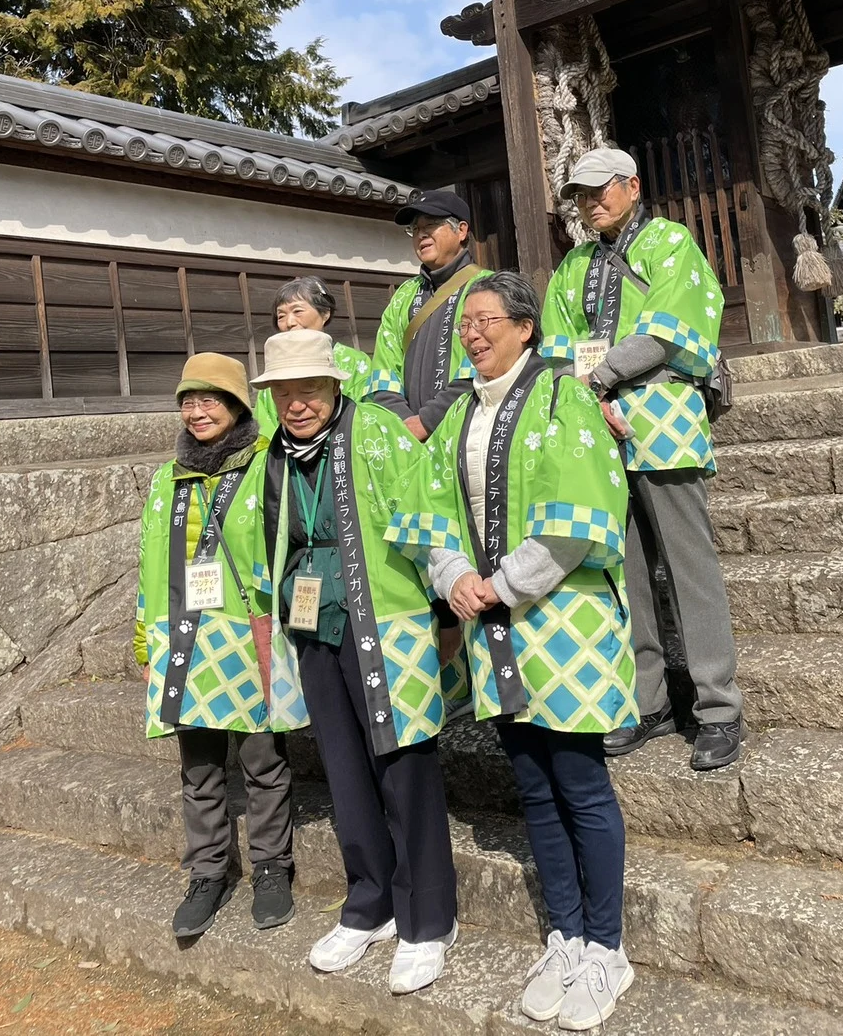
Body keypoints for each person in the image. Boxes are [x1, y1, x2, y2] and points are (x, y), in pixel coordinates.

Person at [387, 272, 637, 1031]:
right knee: (531, 784)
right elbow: (424, 510)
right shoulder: (458, 407)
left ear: (526, 327)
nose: (474, 332)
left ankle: (607, 946)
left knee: (580, 783)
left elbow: (580, 513)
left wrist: (499, 583)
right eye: (467, 323)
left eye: (488, 319)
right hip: (495, 627)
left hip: (565, 620)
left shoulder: (566, 395)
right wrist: (453, 575)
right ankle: (563, 934)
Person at [256, 326, 458, 995]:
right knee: (344, 770)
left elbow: (430, 519)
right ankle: (369, 903)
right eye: (285, 392)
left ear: (334, 384)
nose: (298, 403)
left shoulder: (378, 431)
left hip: (386, 620)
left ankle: (428, 918)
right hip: (314, 625)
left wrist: (447, 613)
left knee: (404, 766)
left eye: (309, 389)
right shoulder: (276, 455)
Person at [541, 147, 743, 772]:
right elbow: (554, 344)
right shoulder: (571, 266)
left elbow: (669, 329)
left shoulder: (669, 241)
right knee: (624, 572)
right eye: (579, 194)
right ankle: (647, 700)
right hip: (597, 430)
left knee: (689, 567)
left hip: (666, 426)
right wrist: (584, 396)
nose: (589, 202)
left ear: (631, 186)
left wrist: (598, 378)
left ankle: (718, 706)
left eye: (600, 189)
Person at [134, 352, 294, 939]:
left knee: (261, 760)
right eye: (187, 400)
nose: (196, 411)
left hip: (245, 634)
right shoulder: (166, 477)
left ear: (236, 406)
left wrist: (279, 623)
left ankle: (273, 866)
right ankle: (208, 872)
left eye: (210, 399)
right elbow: (151, 560)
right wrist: (144, 639)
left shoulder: (262, 465)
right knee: (199, 766)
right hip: (183, 638)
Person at [364, 189, 490, 441]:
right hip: (408, 439)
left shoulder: (488, 288)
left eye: (431, 224)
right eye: (415, 228)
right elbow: (384, 372)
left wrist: (427, 421)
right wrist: (404, 423)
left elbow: (484, 368)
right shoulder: (404, 295)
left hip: (471, 432)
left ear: (461, 230)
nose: (421, 234)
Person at [255, 276, 373, 438]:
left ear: (325, 313)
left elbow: (365, 415)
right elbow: (265, 430)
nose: (289, 322)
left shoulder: (355, 361)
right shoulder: (274, 371)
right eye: (281, 315)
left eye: (297, 311)